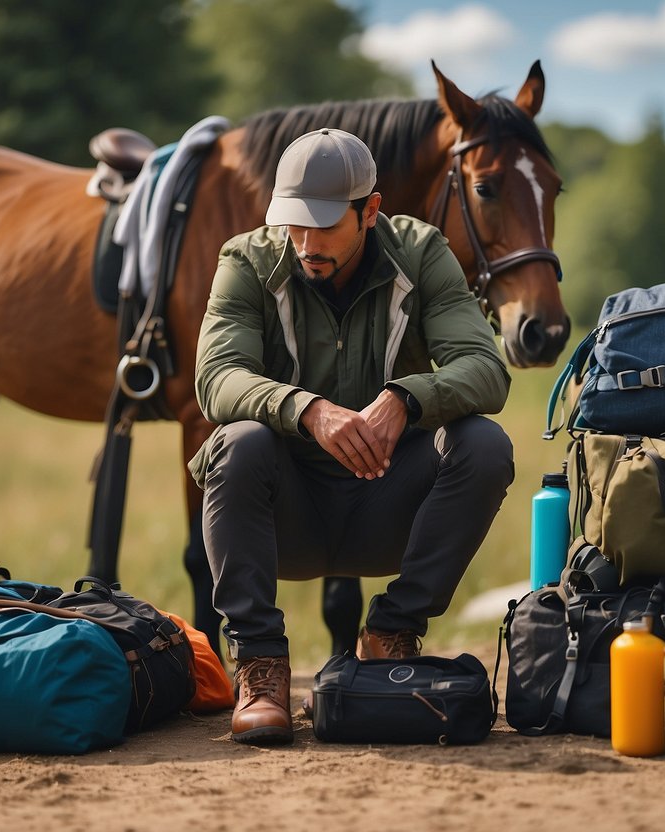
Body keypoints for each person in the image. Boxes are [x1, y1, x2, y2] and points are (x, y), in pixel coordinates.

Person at [189, 128, 515, 745]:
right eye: (294, 224)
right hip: (284, 515)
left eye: (325, 225)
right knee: (239, 442)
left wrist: (408, 397)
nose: (307, 244)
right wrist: (307, 409)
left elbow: (486, 367)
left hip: (390, 503)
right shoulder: (246, 261)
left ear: (371, 211)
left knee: (483, 444)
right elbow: (215, 379)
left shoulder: (421, 253)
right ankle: (261, 666)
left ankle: (390, 632)